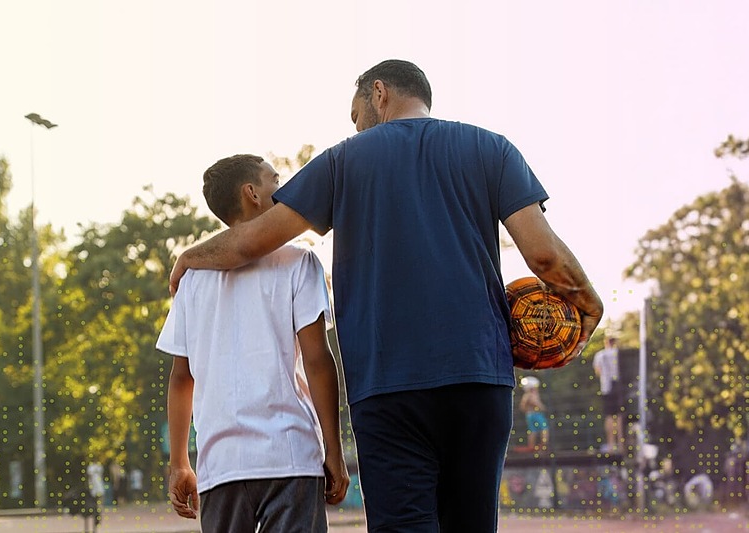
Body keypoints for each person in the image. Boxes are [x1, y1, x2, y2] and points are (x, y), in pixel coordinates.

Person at [168, 60, 603, 532]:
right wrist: (589, 303)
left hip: (386, 385)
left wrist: (190, 255)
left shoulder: (342, 160)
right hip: (479, 375)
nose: (355, 127)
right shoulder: (492, 148)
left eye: (355, 115)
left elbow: (250, 242)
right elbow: (542, 256)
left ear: (378, 94)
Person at [157, 154, 349, 532]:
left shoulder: (191, 281)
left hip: (221, 464)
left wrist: (180, 461)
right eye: (274, 180)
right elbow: (317, 361)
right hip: (290, 457)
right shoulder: (300, 262)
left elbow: (182, 378)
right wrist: (334, 448)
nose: (284, 188)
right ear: (253, 193)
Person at [593, 337, 624, 453]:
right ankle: (621, 445)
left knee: (609, 416)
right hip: (618, 387)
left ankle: (611, 445)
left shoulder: (600, 355)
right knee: (619, 416)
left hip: (606, 387)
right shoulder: (618, 353)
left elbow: (598, 372)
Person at [519, 376, 549, 450]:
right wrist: (542, 407)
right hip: (536, 414)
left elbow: (522, 407)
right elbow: (534, 402)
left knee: (533, 431)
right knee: (544, 428)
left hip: (529, 415)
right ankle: (543, 446)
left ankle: (531, 447)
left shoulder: (525, 396)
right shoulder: (533, 394)